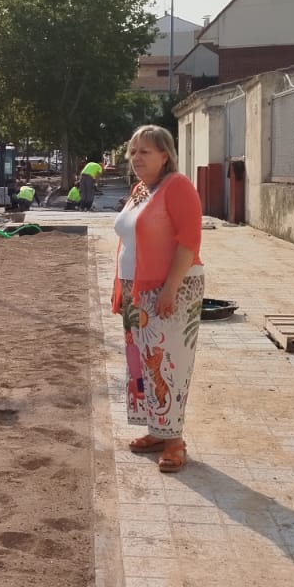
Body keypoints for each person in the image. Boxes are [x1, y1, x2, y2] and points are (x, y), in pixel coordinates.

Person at [112, 125, 203, 473]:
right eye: (133, 151)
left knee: (170, 365)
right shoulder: (140, 191)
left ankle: (174, 440)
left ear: (165, 155)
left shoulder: (177, 187)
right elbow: (128, 241)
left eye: (145, 151)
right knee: (142, 363)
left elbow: (189, 241)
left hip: (170, 289)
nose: (136, 158)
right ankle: (156, 429)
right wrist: (120, 289)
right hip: (138, 291)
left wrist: (170, 288)